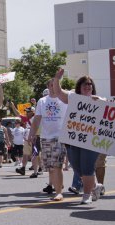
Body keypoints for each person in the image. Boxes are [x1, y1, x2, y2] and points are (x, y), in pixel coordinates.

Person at [53, 69, 104, 204]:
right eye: (84, 84)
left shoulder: (99, 100)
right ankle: (95, 186)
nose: (88, 86)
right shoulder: (73, 97)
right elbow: (58, 92)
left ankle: (86, 195)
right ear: (79, 87)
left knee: (87, 167)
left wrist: (100, 102)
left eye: (90, 84)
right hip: (73, 139)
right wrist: (57, 79)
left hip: (91, 141)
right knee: (77, 167)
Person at [29, 78, 68, 201]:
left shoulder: (65, 99)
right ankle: (57, 185)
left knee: (57, 165)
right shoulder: (42, 101)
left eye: (56, 85)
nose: (54, 87)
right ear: (48, 87)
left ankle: (59, 192)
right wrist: (32, 133)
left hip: (60, 137)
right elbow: (37, 119)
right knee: (50, 167)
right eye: (51, 85)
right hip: (45, 137)